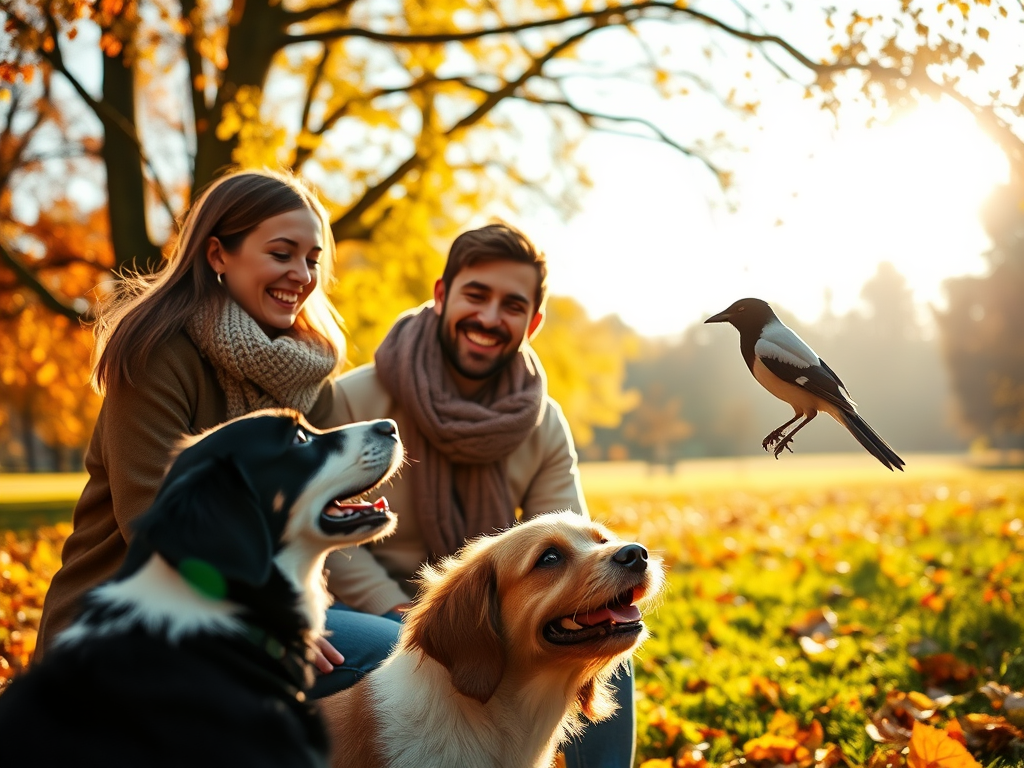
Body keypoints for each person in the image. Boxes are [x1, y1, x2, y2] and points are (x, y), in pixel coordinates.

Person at [35, 168, 396, 683]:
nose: (302, 274)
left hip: (276, 603)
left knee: (403, 658)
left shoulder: (310, 377)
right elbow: (153, 518)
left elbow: (326, 519)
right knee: (377, 666)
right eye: (281, 253)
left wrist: (388, 604)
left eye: (312, 260)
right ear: (218, 254)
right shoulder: (156, 353)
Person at [317, 222, 636, 768]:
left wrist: (582, 604)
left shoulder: (543, 424)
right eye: (476, 295)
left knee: (609, 639)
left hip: (495, 609)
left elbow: (566, 541)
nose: (490, 318)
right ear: (442, 296)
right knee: (392, 652)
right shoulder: (354, 399)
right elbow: (325, 532)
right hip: (369, 608)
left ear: (532, 322)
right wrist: (397, 610)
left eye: (511, 305)